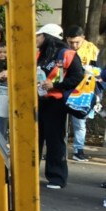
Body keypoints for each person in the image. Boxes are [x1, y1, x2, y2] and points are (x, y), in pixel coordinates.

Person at [36, 23, 84, 189]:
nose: (36, 38)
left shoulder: (67, 54)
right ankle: (29, 174)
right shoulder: (39, 55)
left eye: (39, 35)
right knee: (34, 139)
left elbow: (78, 77)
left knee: (55, 140)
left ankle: (57, 177)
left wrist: (56, 86)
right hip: (38, 101)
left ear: (48, 37)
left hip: (56, 103)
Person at [64, 25, 99, 161]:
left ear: (83, 38)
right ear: (66, 39)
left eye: (77, 42)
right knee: (60, 122)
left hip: (83, 90)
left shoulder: (92, 50)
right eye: (71, 42)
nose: (74, 45)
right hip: (65, 88)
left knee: (79, 123)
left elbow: (97, 71)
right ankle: (59, 150)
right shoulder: (63, 50)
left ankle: (79, 150)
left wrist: (96, 93)